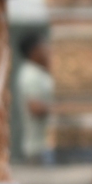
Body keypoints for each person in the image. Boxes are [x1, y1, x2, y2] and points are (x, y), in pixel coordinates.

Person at [13, 31, 55, 164]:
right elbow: (35, 108)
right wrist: (64, 108)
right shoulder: (30, 74)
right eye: (44, 46)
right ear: (34, 51)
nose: (48, 50)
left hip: (46, 148)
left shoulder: (39, 71)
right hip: (39, 148)